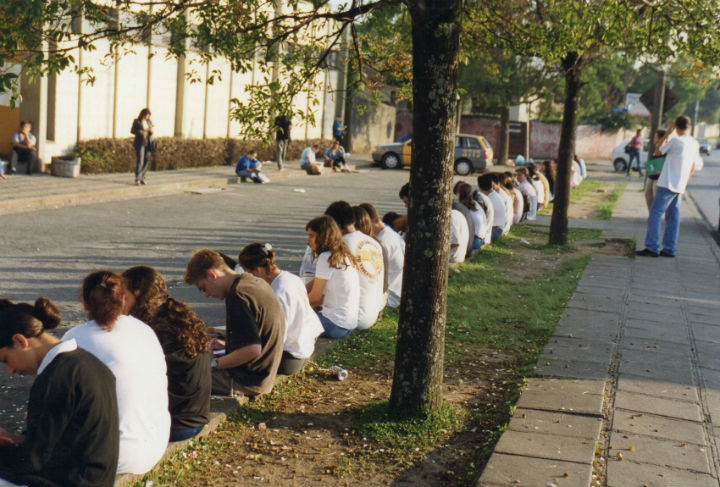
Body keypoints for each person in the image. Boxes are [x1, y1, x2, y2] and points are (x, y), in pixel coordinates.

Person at [0, 298, 119, 487]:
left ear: (20, 341)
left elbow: (32, 461)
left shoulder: (54, 379)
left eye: (5, 360)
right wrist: (13, 439)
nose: (10, 371)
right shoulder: (87, 361)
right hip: (97, 477)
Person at [62, 270, 170, 475]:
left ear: (85, 303)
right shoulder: (145, 330)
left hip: (111, 455)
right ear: (123, 299)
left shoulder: (74, 337)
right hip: (154, 444)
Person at [122, 266, 211, 443]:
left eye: (124, 295)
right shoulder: (177, 315)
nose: (119, 300)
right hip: (195, 416)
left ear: (138, 296)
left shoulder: (153, 330)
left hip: (176, 425)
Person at [184, 249, 285, 396]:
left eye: (203, 288)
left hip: (247, 380)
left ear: (212, 275)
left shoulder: (238, 295)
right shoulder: (254, 282)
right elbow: (258, 335)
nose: (206, 295)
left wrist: (213, 364)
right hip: (263, 373)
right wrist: (226, 342)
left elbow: (252, 350)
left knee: (181, 375)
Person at [238, 243, 324, 375]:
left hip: (289, 357)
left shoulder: (278, 292)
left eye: (249, 273)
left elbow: (276, 337)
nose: (249, 278)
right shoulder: (290, 278)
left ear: (258, 270)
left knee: (237, 360)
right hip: (303, 346)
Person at [637, 116, 703, 258]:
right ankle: (669, 248)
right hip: (680, 184)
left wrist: (667, 132)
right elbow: (695, 165)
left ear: (676, 127)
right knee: (673, 217)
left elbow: (657, 151)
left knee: (655, 214)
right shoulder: (694, 143)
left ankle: (652, 247)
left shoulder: (675, 141)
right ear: (689, 127)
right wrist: (685, 178)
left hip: (667, 182)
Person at [325, 201, 385, 330]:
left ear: (336, 225)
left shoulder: (342, 246)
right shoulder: (373, 242)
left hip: (352, 316)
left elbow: (324, 283)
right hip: (372, 313)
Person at [305, 215, 360, 338]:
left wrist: (292, 305)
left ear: (323, 236)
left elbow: (315, 299)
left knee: (286, 320)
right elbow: (315, 283)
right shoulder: (343, 255)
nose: (308, 241)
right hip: (348, 324)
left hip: (334, 324)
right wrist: (297, 290)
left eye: (311, 236)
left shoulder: (326, 257)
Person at [360, 203, 405, 308]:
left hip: (390, 297)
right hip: (398, 291)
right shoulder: (392, 234)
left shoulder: (383, 243)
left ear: (368, 222)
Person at [455, 182, 487, 251]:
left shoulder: (463, 207)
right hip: (481, 238)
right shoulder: (474, 203)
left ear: (460, 194)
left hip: (475, 240)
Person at [478, 173, 505, 242]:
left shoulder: (488, 199)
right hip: (499, 227)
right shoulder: (495, 195)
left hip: (495, 230)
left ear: (480, 187)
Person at [644, 130, 666, 209]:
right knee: (648, 195)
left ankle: (655, 217)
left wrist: (660, 172)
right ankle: (651, 215)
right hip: (651, 176)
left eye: (656, 137)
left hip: (658, 178)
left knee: (656, 198)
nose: (654, 139)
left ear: (661, 139)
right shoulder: (656, 148)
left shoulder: (664, 150)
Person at [130, 108, 153, 186]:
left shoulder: (149, 122)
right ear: (143, 114)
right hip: (140, 143)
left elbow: (151, 132)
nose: (147, 118)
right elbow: (132, 131)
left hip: (148, 142)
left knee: (146, 159)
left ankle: (142, 177)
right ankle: (138, 178)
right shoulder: (137, 121)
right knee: (140, 160)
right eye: (146, 116)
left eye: (148, 116)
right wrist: (139, 132)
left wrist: (150, 131)